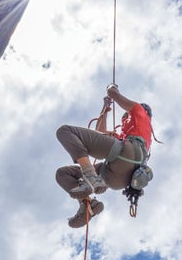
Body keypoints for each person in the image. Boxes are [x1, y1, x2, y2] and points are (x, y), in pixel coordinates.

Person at [55, 84, 153, 228]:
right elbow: (100, 130)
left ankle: (90, 175)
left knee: (65, 131)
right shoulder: (126, 136)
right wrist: (105, 108)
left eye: (126, 116)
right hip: (120, 179)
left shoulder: (140, 112)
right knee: (63, 174)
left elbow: (113, 93)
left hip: (128, 151)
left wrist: (112, 89)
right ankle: (88, 205)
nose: (124, 119)